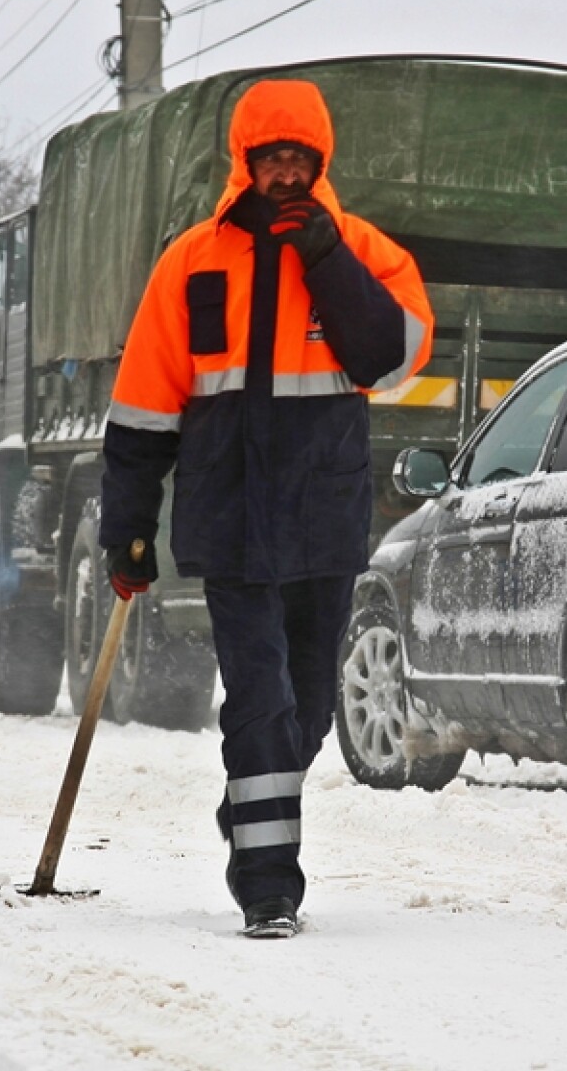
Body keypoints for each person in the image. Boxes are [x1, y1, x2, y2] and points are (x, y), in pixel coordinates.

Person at [100, 79, 433, 938]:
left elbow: (386, 360)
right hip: (230, 516)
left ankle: (251, 809)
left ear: (320, 163)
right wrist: (127, 524)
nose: (284, 173)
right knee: (262, 700)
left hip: (323, 518)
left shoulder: (364, 253)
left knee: (311, 707)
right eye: (269, 158)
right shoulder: (193, 260)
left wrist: (327, 259)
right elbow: (143, 406)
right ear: (243, 164)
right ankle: (267, 884)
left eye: (299, 159)